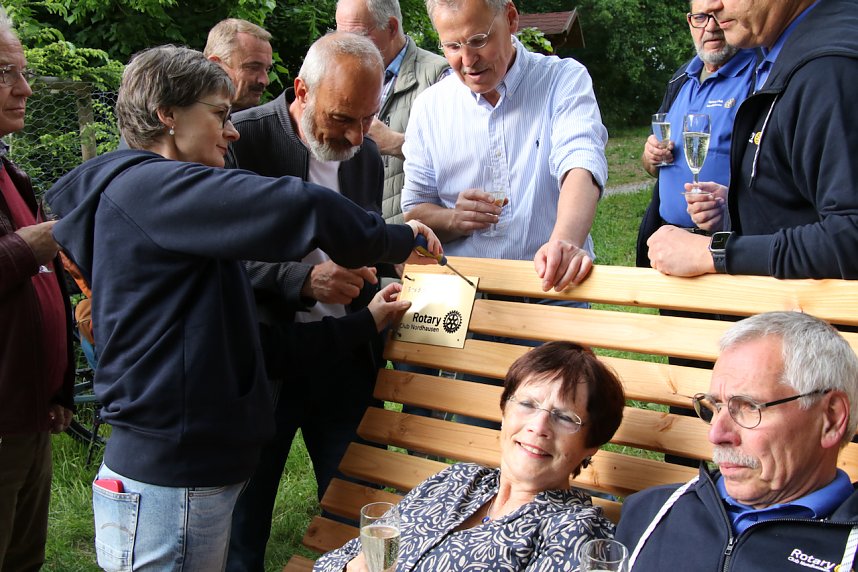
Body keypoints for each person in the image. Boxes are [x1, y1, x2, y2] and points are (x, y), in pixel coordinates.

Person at [45, 45, 440, 571]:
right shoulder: (149, 189)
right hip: (174, 481)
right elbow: (301, 204)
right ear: (167, 114)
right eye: (219, 114)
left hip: (186, 476)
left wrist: (364, 324)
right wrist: (396, 239)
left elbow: (251, 344)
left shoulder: (164, 212)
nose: (232, 132)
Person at [223, 32, 398, 572]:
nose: (355, 136)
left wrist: (383, 278)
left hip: (345, 358)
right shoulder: (240, 140)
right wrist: (301, 279)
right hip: (265, 367)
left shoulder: (365, 155)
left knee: (359, 515)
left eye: (368, 118)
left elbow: (369, 238)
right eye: (343, 118)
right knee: (242, 531)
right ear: (301, 90)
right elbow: (217, 258)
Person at [315, 340, 626, 571]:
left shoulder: (574, 532)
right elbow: (338, 560)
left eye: (564, 417)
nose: (538, 426)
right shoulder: (455, 479)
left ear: (591, 445)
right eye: (528, 404)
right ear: (504, 412)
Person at [615, 311, 858, 570]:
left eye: (748, 407)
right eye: (716, 406)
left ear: (830, 418)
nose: (716, 435)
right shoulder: (650, 512)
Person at [401, 0, 608, 293]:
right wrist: (454, 219)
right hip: (463, 295)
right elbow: (415, 211)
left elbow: (581, 164)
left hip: (552, 286)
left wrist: (564, 243)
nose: (468, 60)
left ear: (510, 18)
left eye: (478, 40)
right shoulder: (429, 107)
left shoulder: (562, 80)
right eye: (452, 46)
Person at [647, 0, 858, 280]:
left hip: (811, 318)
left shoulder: (827, 68)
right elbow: (797, 201)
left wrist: (714, 251)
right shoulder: (781, 55)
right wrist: (738, 206)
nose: (712, 6)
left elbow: (849, 235)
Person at [0, 9, 74, 570]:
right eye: (5, 73)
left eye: (22, 72)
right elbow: (26, 259)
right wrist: (29, 246)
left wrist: (58, 390)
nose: (24, 88)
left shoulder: (11, 172)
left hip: (27, 417)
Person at [635, 1, 756, 268]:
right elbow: (653, 168)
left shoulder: (758, 75)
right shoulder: (681, 79)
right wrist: (651, 157)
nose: (710, 27)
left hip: (728, 250)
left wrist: (730, 209)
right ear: (690, 22)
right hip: (669, 243)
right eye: (701, 18)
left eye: (717, 16)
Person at [335, 0, 449, 224]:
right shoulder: (339, 75)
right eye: (340, 35)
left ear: (392, 27)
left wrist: (397, 144)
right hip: (356, 237)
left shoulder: (440, 76)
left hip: (413, 242)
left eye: (358, 36)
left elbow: (463, 163)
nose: (346, 47)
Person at [204, 18, 273, 111]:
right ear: (215, 65)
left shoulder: (265, 122)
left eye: (267, 69)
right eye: (253, 68)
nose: (265, 81)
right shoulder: (181, 119)